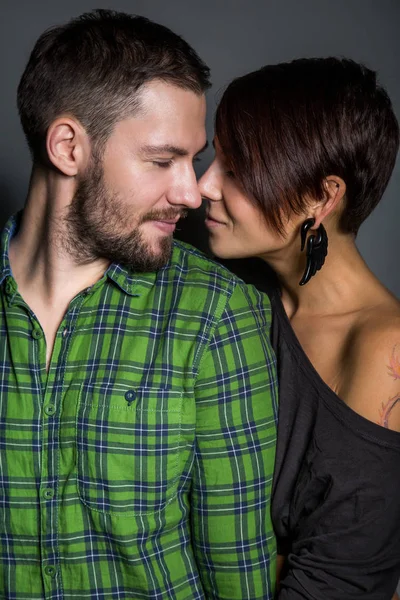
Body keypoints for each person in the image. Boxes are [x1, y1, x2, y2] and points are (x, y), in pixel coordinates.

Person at [1, 10, 278, 599]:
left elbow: (241, 577)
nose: (191, 191)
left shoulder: (217, 316)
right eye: (161, 160)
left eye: (193, 159)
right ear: (69, 147)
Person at [199, 57, 400, 599]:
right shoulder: (228, 296)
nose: (203, 186)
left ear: (321, 197)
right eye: (213, 159)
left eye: (237, 170)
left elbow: (341, 577)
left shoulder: (386, 349)